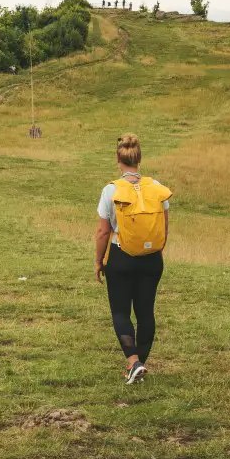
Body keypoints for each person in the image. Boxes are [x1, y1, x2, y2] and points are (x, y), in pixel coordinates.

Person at [94, 134, 172, 384]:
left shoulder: (111, 190)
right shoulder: (156, 187)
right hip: (152, 258)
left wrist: (98, 261)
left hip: (121, 257)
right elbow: (164, 226)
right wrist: (155, 251)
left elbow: (103, 232)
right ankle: (139, 365)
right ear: (139, 159)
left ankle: (133, 362)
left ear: (118, 160)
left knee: (120, 312)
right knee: (146, 311)